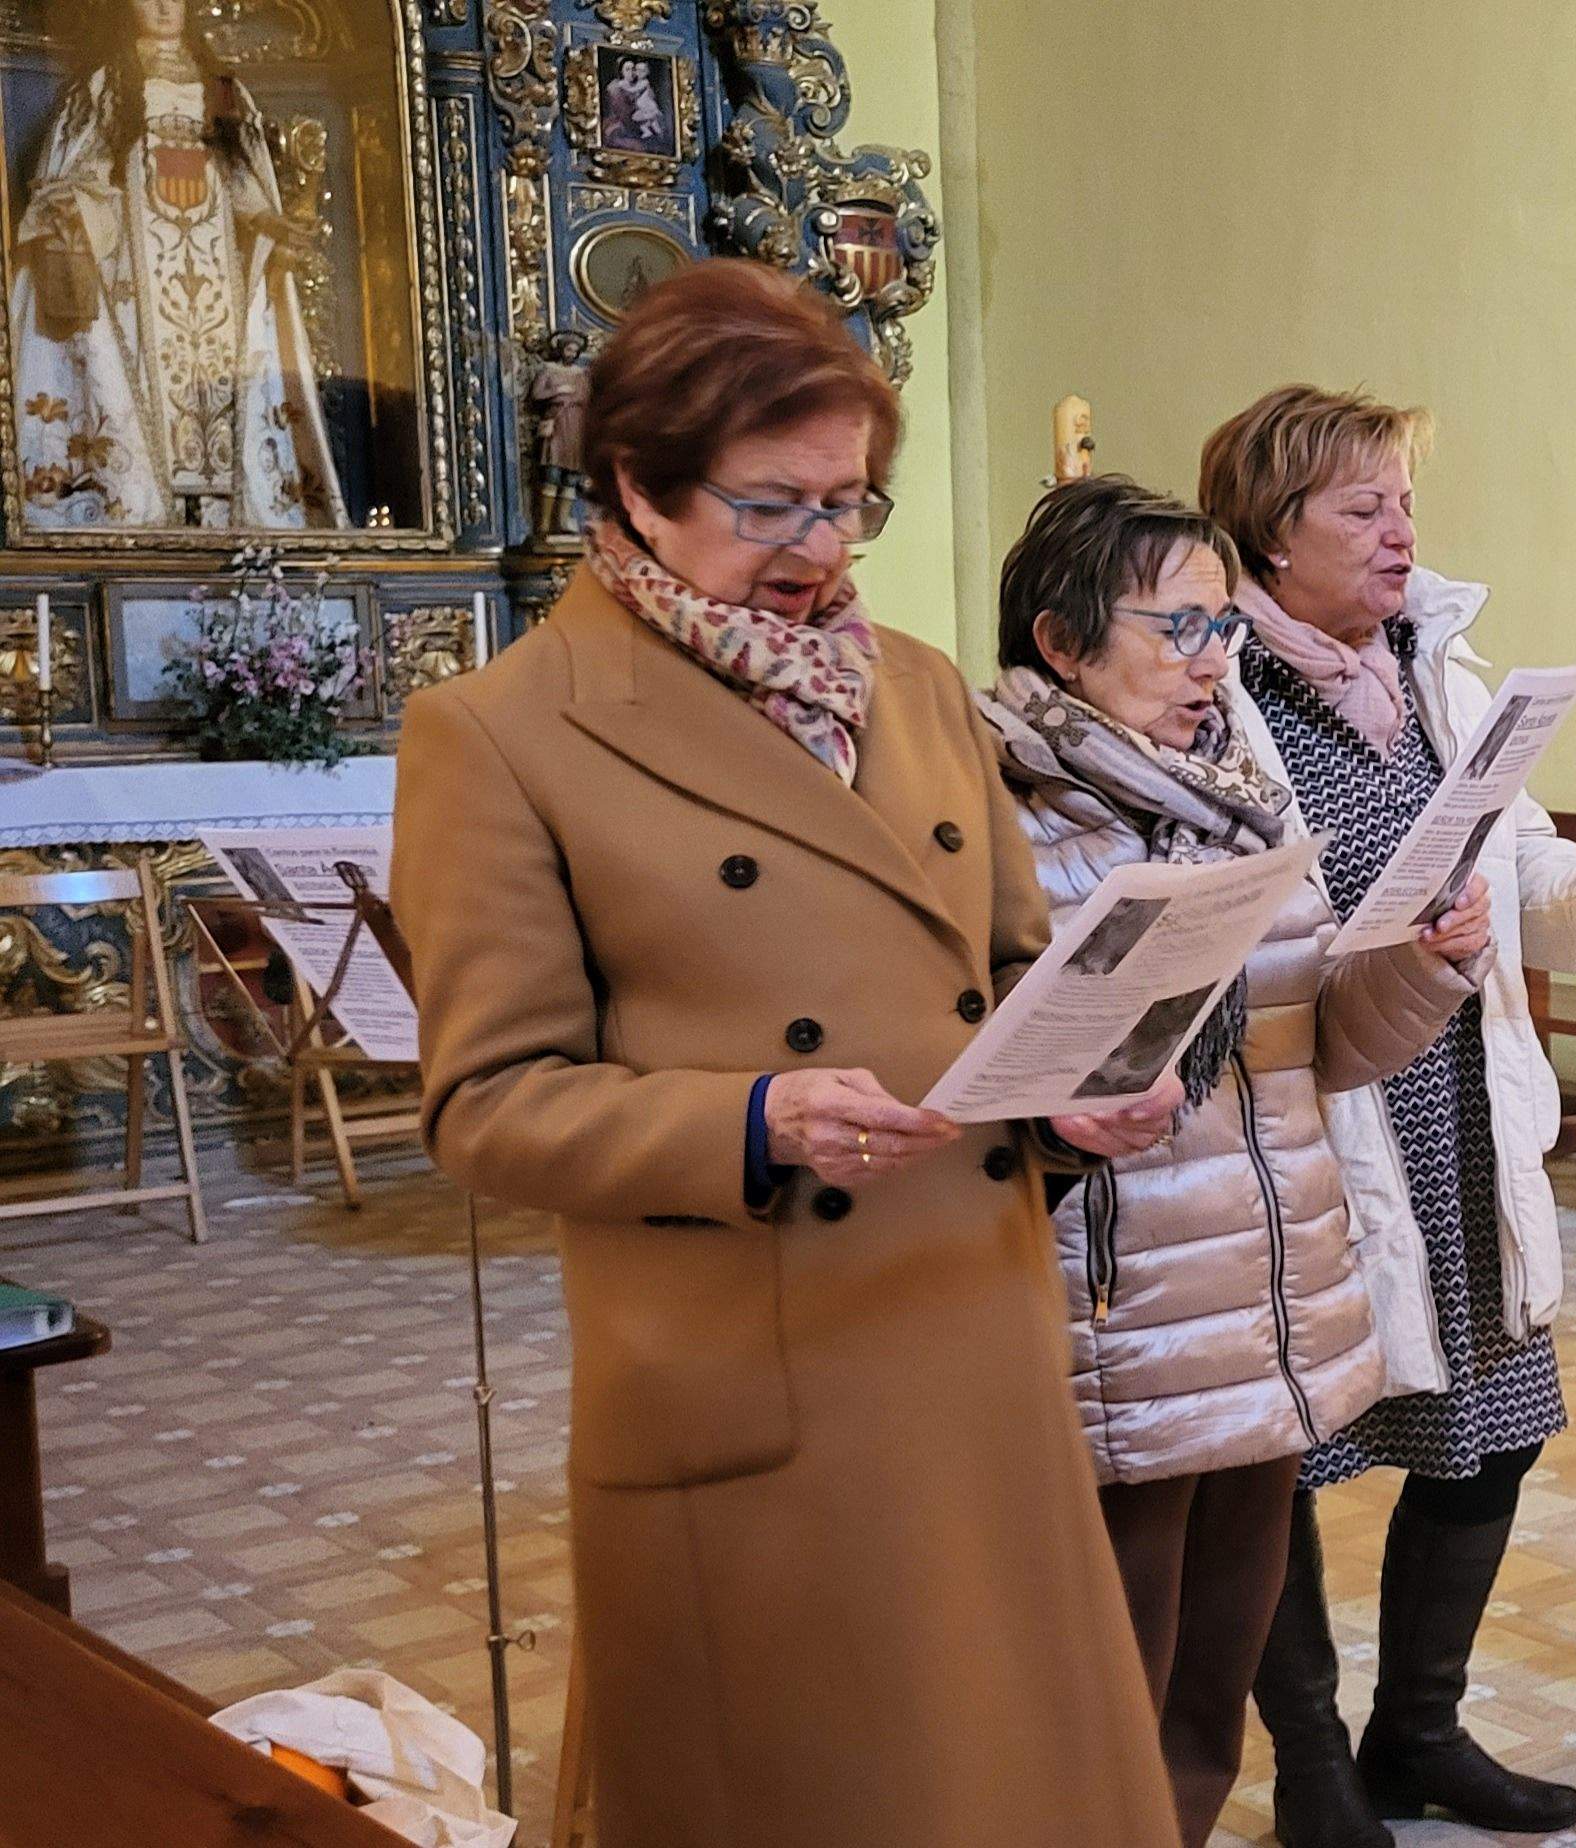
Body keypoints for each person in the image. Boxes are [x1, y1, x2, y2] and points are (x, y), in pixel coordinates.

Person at [393, 259, 1185, 1847]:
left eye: (848, 503)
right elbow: (486, 1105)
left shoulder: (920, 689)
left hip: (971, 1332)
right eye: (769, 507)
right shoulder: (503, 731)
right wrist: (751, 1121)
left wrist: (1077, 1094)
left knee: (1012, 1787)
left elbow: (1008, 970)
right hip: (759, 1380)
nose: (819, 553)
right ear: (638, 485)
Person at [1201, 386, 1576, 1846]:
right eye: (1363, 506)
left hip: (1457, 1105)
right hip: (1307, 1119)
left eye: (1404, 501)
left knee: (1493, 1424)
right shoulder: (1219, 693)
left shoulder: (1438, 668)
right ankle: (1310, 1765)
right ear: (1272, 533)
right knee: (1280, 1459)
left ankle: (1417, 1731)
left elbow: (1521, 861)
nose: (1400, 531)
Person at [983, 474, 1497, 1847]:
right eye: (1180, 630)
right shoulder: (1006, 820)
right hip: (1130, 1318)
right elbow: (980, 1073)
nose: (1215, 662)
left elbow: (1313, 1048)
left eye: (1224, 628)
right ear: (1061, 641)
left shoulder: (1238, 803)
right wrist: (1062, 1103)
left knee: (1210, 1694)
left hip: (1266, 1311)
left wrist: (1422, 967)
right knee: (1112, 1693)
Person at [12, 0, 342, 527]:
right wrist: (79, 207)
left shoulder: (224, 91)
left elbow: (241, 178)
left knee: (222, 391)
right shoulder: (107, 86)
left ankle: (220, 512)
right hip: (137, 278)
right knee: (141, 387)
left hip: (216, 279)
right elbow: (84, 172)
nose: (165, 6)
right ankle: (145, 509)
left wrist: (268, 221)